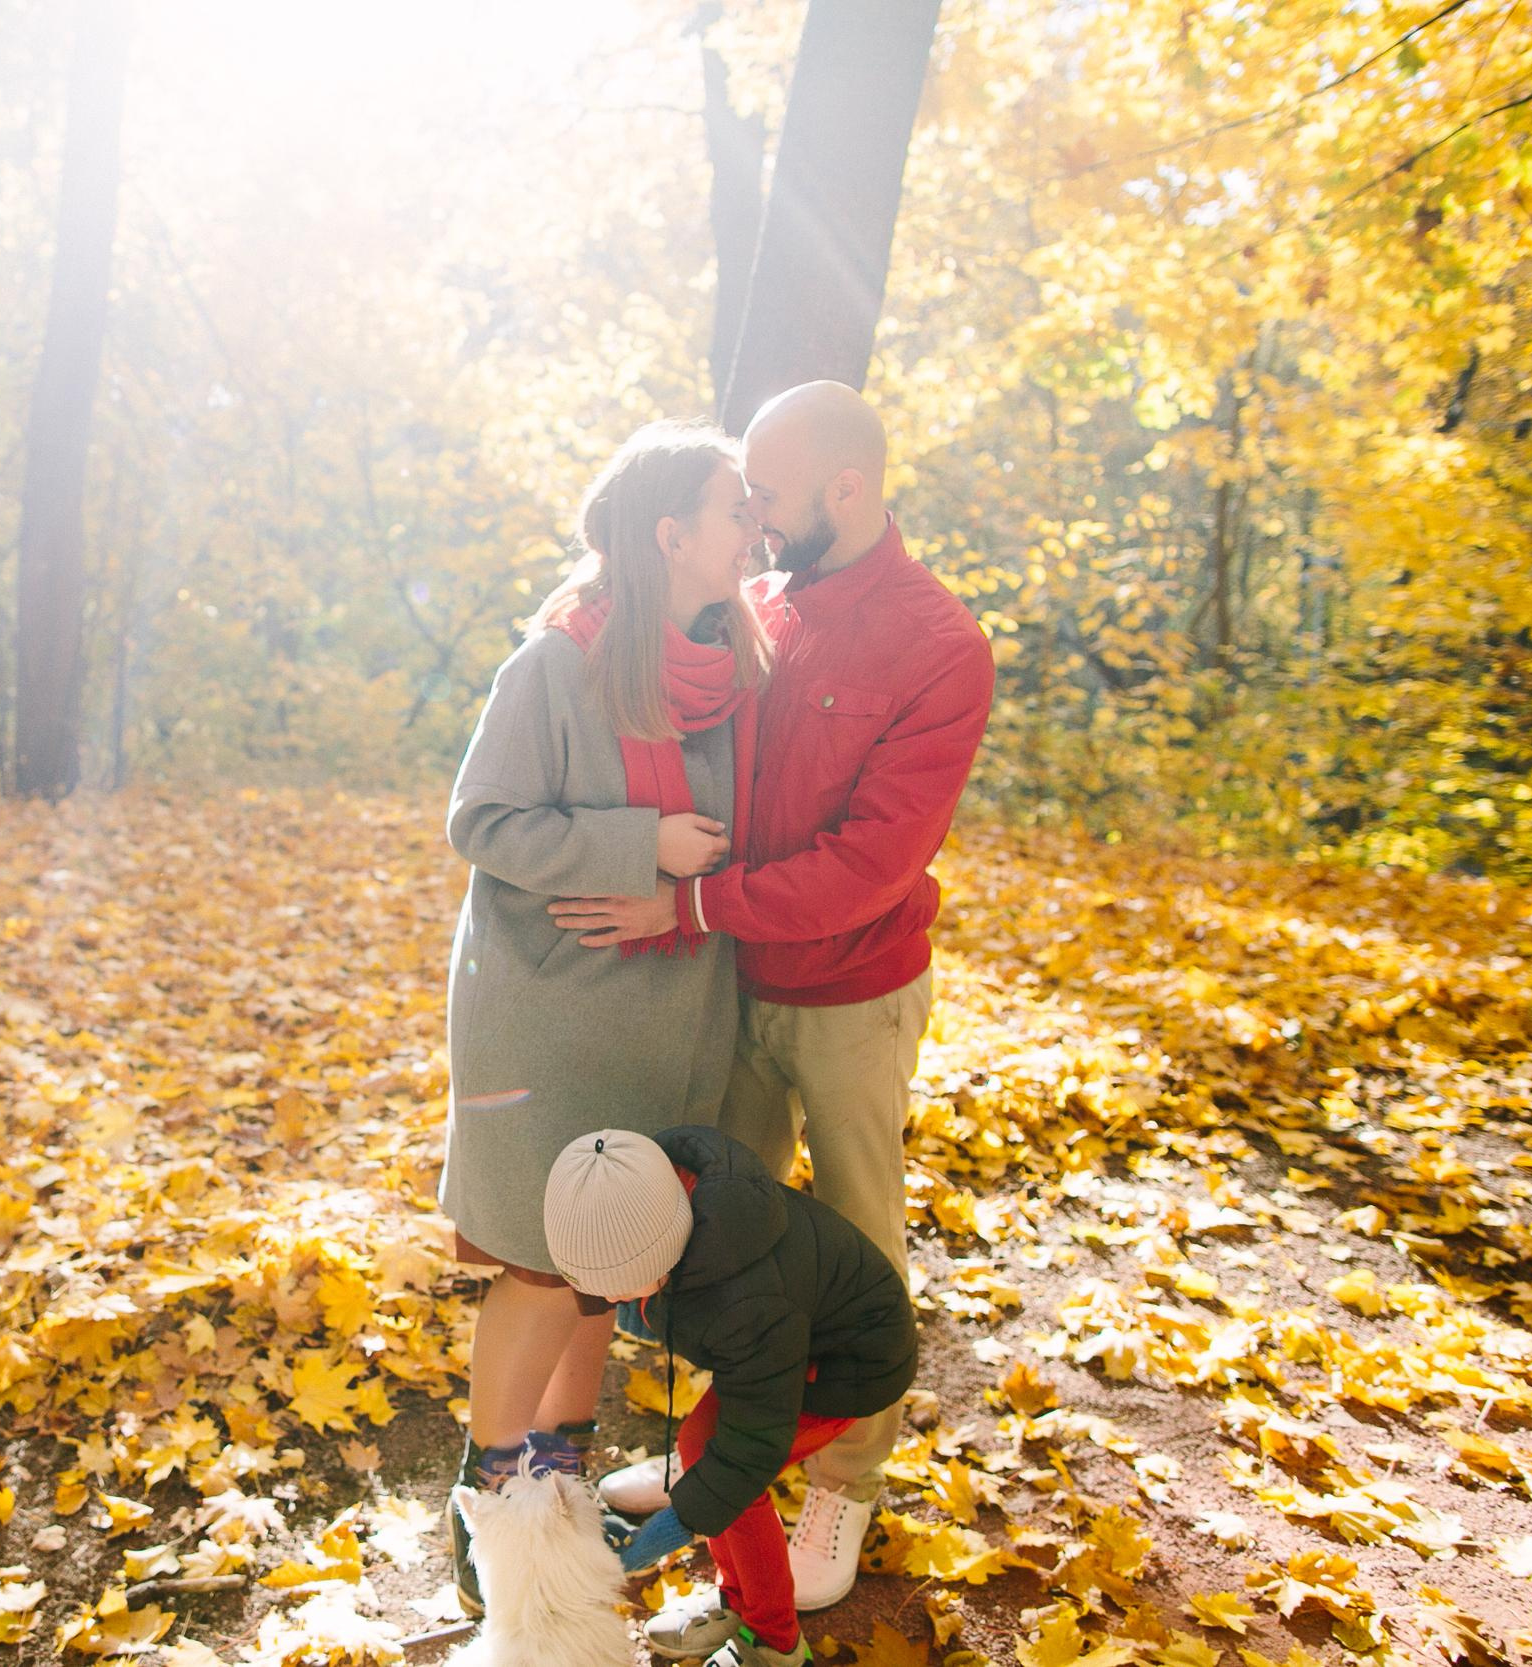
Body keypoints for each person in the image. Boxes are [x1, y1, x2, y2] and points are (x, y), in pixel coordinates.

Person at [551, 382, 995, 1611]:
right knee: (715, 1239)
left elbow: (868, 865)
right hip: (726, 986)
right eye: (739, 499)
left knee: (855, 1238)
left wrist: (690, 905)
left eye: (771, 498)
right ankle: (714, 1454)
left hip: (851, 993)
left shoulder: (939, 645)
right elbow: (640, 644)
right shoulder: (753, 603)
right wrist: (581, 613)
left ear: (845, 491)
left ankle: (848, 1477)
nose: (749, 518)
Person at [438, 419, 775, 1616]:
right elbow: (481, 820)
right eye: (737, 507)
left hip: (670, 1006)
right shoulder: (556, 664)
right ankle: (487, 1496)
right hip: (549, 1011)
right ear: (670, 533)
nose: (756, 526)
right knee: (539, 1261)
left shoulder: (730, 666)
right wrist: (640, 844)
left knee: (606, 1260)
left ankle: (562, 1465)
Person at [544, 1126, 916, 1667]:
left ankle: (776, 1643)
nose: (610, 1301)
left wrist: (658, 1537)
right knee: (700, 1452)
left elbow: (747, 1453)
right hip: (782, 1348)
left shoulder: (746, 1301)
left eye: (621, 1287)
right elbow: (631, 1276)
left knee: (727, 1483)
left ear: (665, 1256)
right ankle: (737, 1599)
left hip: (845, 1367)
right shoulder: (652, 1194)